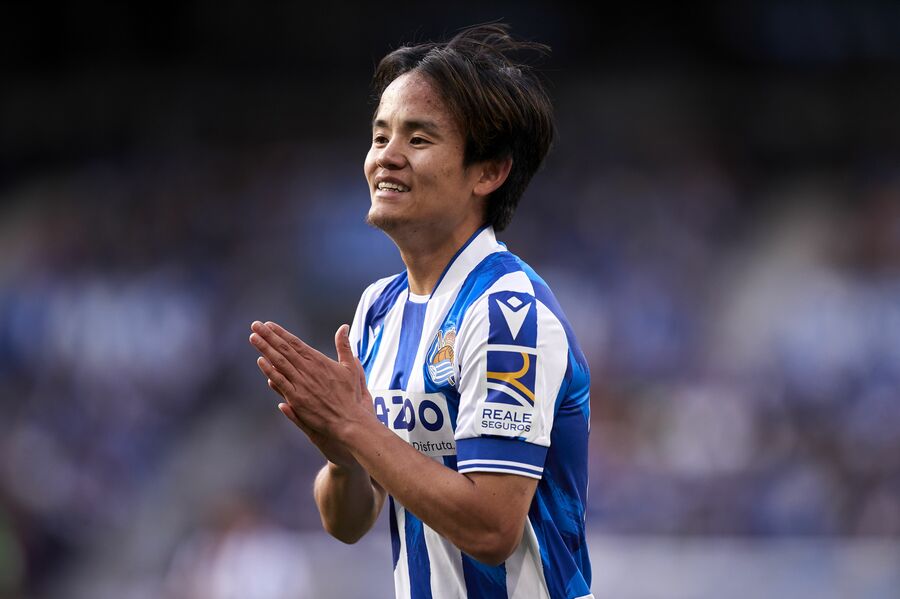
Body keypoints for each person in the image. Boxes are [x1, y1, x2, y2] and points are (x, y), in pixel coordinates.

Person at [249, 23, 592, 599]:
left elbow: (492, 528)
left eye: (418, 139)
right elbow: (348, 521)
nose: (387, 157)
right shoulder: (378, 308)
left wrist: (355, 426)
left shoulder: (508, 314)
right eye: (380, 136)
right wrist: (344, 458)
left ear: (489, 171)